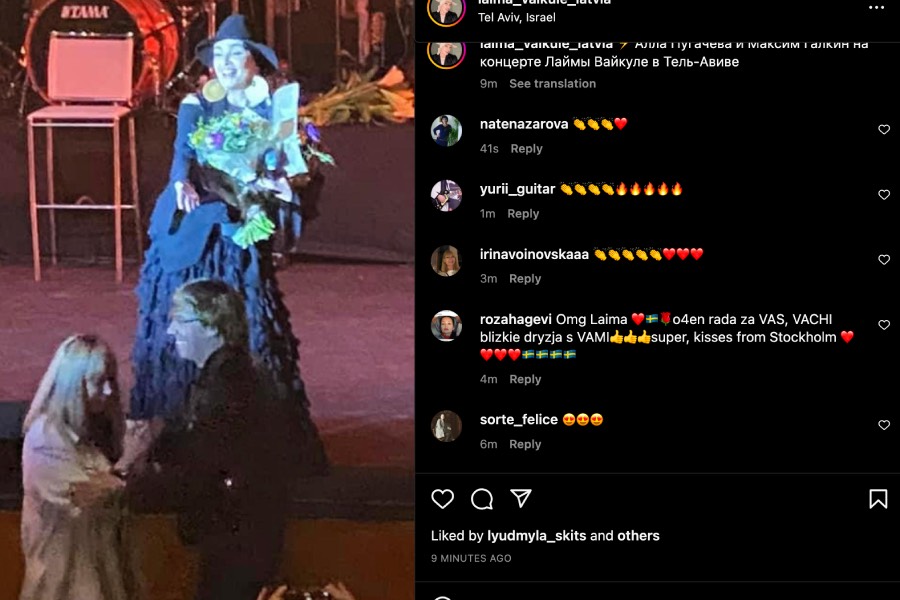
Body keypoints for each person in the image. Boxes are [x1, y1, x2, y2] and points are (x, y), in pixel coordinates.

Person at [124, 14, 327, 477]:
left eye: (236, 54)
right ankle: (173, 438)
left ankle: (253, 440)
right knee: (182, 319)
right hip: (194, 224)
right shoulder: (197, 103)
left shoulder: (273, 107)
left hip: (239, 226)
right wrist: (181, 180)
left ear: (254, 62)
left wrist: (277, 180)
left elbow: (287, 162)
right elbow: (183, 151)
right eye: (220, 55)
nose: (228, 62)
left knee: (248, 321)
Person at [129, 279, 300, 600]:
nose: (171, 331)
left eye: (181, 320)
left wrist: (127, 489)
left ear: (211, 327)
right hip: (244, 533)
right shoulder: (232, 374)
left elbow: (202, 470)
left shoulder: (228, 386)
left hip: (237, 540)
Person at [20, 334, 140, 600]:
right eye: (98, 381)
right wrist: (126, 465)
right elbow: (86, 495)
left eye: (111, 380)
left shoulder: (94, 438)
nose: (108, 391)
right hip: (62, 590)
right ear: (72, 384)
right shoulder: (45, 438)